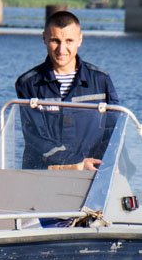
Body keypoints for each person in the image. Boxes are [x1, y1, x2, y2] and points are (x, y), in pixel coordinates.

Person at [14, 10, 119, 171]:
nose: (62, 49)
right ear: (44, 39)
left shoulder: (101, 80)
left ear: (80, 40)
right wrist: (76, 163)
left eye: (69, 41)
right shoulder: (28, 84)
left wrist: (99, 164)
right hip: (43, 173)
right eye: (55, 41)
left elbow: (113, 129)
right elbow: (34, 136)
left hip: (92, 171)